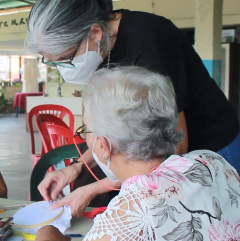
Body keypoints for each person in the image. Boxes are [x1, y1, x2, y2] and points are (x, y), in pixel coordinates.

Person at [26, 0, 240, 215]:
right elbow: (106, 132)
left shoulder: (151, 41)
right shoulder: (93, 52)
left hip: (208, 146)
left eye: (66, 58)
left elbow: (175, 148)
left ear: (95, 32)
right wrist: (76, 166)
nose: (65, 69)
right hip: (154, 156)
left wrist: (94, 189)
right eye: (54, 62)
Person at [36, 66, 240, 241]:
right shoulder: (211, 161)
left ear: (104, 146)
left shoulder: (131, 214)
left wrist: (47, 232)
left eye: (86, 130)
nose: (86, 136)